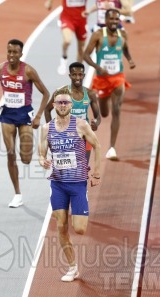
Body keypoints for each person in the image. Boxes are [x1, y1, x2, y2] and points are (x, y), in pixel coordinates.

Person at [38, 87, 101, 282]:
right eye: (59, 102)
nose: (63, 105)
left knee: (80, 229)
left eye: (66, 102)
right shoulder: (46, 129)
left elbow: (97, 145)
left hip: (78, 183)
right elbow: (41, 153)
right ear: (54, 105)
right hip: (58, 184)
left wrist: (96, 171)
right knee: (61, 226)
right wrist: (42, 161)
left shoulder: (81, 125)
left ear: (71, 105)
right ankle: (72, 267)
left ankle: (83, 203)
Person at [0, 39, 50, 208]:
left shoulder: (29, 71)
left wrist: (38, 116)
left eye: (15, 52)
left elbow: (46, 93)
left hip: (24, 115)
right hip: (7, 115)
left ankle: (30, 156)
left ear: (21, 54)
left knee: (25, 159)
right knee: (10, 153)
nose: (11, 55)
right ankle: (17, 194)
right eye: (9, 52)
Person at [83, 9, 135, 160]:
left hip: (118, 77)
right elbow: (86, 55)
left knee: (117, 109)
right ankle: (103, 104)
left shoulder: (123, 34)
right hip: (102, 80)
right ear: (105, 21)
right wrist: (98, 67)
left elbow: (125, 48)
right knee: (104, 113)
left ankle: (112, 148)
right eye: (111, 19)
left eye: (116, 19)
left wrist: (130, 59)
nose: (113, 22)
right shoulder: (98, 35)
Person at [45, 62, 101, 161]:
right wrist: (51, 133)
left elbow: (98, 116)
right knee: (66, 171)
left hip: (84, 136)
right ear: (70, 76)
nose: (77, 78)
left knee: (82, 171)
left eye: (80, 74)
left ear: (84, 75)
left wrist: (96, 124)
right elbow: (47, 110)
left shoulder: (90, 94)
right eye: (74, 75)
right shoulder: (61, 92)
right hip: (65, 137)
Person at [44, 0, 89, 75]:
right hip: (67, 18)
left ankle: (78, 71)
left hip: (81, 19)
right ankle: (64, 57)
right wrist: (49, 2)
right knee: (67, 40)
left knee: (81, 50)